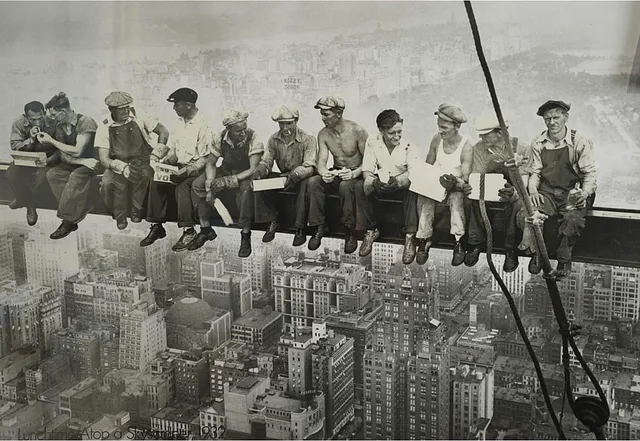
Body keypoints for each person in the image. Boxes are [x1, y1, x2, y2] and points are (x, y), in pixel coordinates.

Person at [527, 100, 596, 278]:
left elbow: (589, 174)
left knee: (572, 219)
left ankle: (564, 259)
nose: (552, 122)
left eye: (556, 117)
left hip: (572, 191)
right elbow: (535, 172)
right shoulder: (538, 142)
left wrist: (585, 193)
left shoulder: (579, 140)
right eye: (547, 119)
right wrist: (533, 191)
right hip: (547, 191)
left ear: (566, 117)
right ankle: (538, 254)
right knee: (532, 214)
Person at [140, 88, 214, 251]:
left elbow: (205, 158)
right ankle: (156, 226)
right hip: (179, 166)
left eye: (177, 105)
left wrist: (188, 171)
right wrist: (166, 161)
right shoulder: (179, 123)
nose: (174, 108)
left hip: (196, 169)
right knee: (156, 181)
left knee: (182, 187)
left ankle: (188, 230)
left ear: (188, 105)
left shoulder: (203, 126)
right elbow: (174, 149)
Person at [464, 112, 533, 272]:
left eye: (486, 135)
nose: (482, 139)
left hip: (512, 191)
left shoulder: (521, 148)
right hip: (487, 188)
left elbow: (524, 180)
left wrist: (514, 191)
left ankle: (510, 249)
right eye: (480, 135)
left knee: (517, 205)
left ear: (500, 133)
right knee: (470, 199)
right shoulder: (479, 149)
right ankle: (475, 242)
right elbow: (477, 174)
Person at [191, 110, 263, 257]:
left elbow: (252, 168)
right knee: (197, 184)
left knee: (246, 191)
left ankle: (245, 234)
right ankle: (205, 228)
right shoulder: (219, 138)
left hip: (244, 174)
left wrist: (226, 181)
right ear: (228, 130)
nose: (243, 133)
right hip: (226, 169)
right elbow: (211, 163)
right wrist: (210, 187)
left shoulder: (254, 138)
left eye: (244, 129)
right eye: (238, 131)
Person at [96, 91, 170, 230]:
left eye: (127, 107)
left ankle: (137, 209)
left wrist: (155, 156)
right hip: (118, 163)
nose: (126, 111)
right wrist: (122, 168)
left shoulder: (138, 114)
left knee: (146, 175)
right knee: (107, 184)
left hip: (142, 159)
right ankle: (119, 215)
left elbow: (163, 131)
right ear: (111, 110)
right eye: (121, 109)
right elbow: (104, 159)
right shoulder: (104, 125)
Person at [356, 109, 420, 263]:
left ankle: (410, 237)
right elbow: (367, 170)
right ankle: (371, 230)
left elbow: (415, 171)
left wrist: (398, 182)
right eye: (392, 133)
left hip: (402, 186)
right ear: (381, 130)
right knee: (360, 186)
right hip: (382, 183)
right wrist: (374, 182)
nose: (397, 136)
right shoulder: (373, 143)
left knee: (414, 189)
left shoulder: (409, 146)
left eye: (399, 132)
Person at [307, 96, 368, 253]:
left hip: (356, 174)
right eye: (321, 114)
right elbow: (321, 162)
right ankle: (319, 226)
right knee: (314, 182)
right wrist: (324, 173)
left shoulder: (358, 131)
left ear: (339, 113)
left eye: (326, 114)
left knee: (345, 186)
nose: (322, 118)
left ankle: (350, 230)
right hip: (337, 171)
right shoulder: (323, 134)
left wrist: (354, 173)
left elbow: (369, 162)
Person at [415, 104, 473, 266]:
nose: (440, 131)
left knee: (456, 201)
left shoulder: (466, 146)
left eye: (444, 127)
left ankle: (459, 240)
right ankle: (424, 238)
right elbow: (429, 164)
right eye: (438, 126)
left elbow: (467, 177)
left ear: (457, 126)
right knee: (425, 198)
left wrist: (455, 182)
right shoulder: (437, 139)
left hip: (454, 186)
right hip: (436, 183)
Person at [37, 92, 100, 239]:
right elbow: (64, 155)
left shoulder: (85, 122)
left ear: (63, 112)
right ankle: (79, 209)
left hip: (94, 163)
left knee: (76, 176)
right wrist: (80, 162)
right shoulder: (60, 126)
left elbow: (78, 151)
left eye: (54, 115)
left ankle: (68, 221)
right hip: (81, 163)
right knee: (53, 174)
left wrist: (51, 141)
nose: (52, 118)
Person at [252, 105, 317, 245]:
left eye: (289, 123)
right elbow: (267, 160)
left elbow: (310, 165)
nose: (285, 127)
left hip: (301, 176)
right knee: (261, 183)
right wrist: (260, 171)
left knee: (305, 185)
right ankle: (272, 220)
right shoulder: (273, 139)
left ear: (296, 121)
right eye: (282, 124)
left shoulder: (308, 139)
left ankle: (300, 228)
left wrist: (295, 175)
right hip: (284, 176)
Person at [7, 101, 58, 226]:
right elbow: (15, 146)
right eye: (33, 119)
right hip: (25, 157)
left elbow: (59, 145)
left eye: (40, 118)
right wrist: (31, 140)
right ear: (26, 117)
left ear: (44, 113)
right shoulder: (19, 122)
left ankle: (30, 207)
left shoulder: (52, 122)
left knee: (35, 180)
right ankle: (20, 198)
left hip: (45, 159)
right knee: (10, 175)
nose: (37, 122)